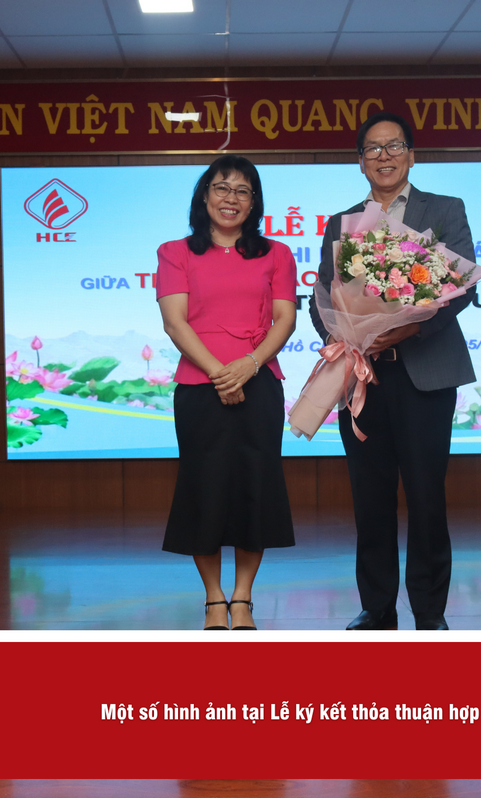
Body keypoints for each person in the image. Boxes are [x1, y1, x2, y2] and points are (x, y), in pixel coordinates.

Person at [309, 112, 477, 631]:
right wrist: (346, 335)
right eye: (373, 149)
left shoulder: (445, 209)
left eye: (394, 146)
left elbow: (461, 288)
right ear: (360, 162)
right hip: (364, 375)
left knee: (426, 496)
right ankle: (377, 605)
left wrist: (405, 330)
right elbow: (322, 295)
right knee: (370, 496)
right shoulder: (341, 222)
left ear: (411, 155)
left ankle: (429, 611)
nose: (384, 156)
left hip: (425, 373)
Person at [156, 155, 298, 631]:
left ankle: (242, 598)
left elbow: (285, 320)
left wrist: (249, 365)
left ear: (254, 203)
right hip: (200, 387)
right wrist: (222, 374)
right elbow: (175, 323)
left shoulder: (276, 253)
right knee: (205, 489)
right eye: (222, 187)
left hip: (260, 384)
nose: (230, 198)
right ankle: (213, 597)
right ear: (204, 195)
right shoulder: (175, 252)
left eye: (242, 191)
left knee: (255, 489)